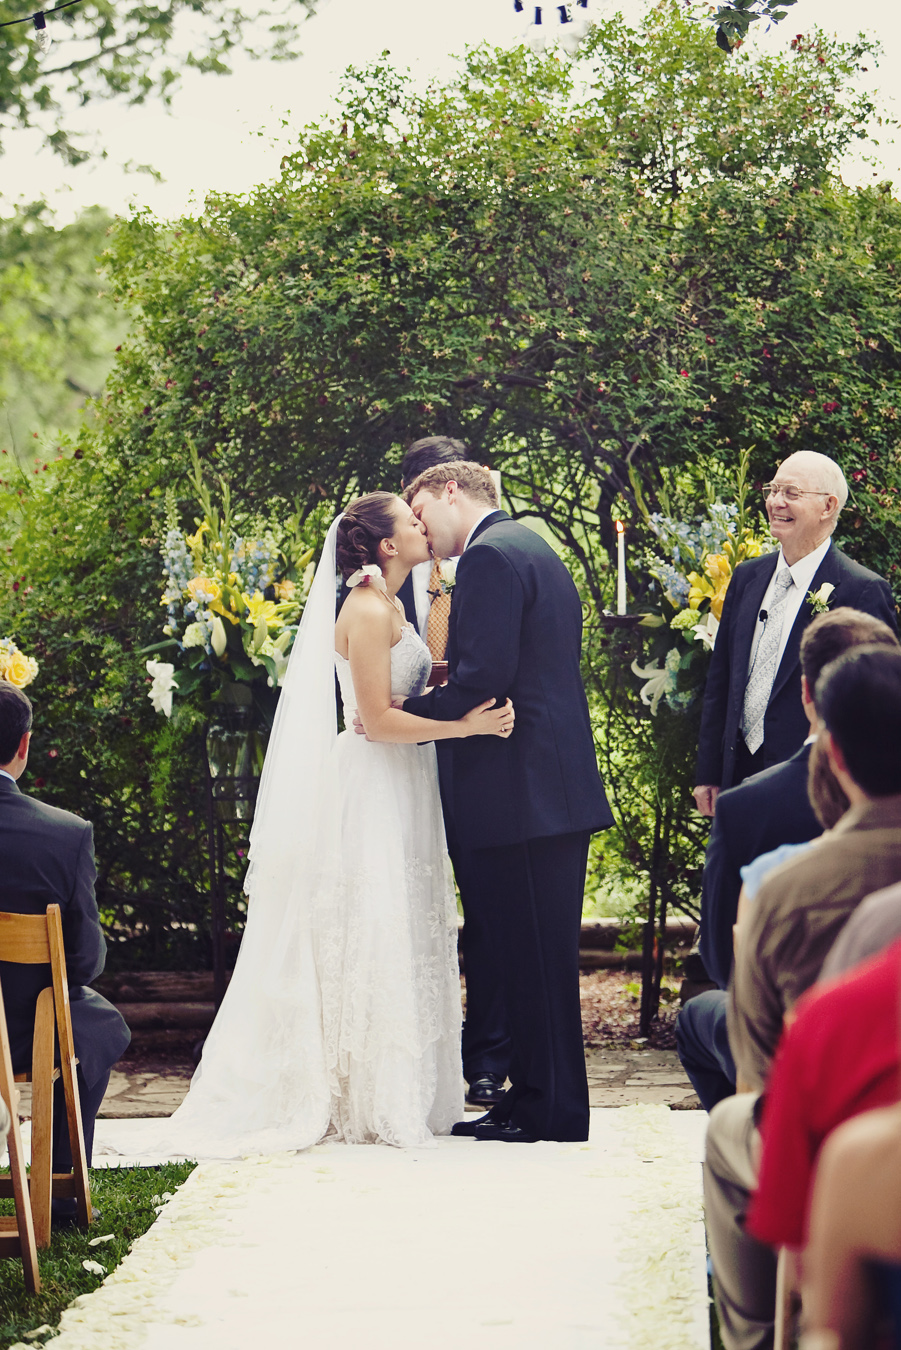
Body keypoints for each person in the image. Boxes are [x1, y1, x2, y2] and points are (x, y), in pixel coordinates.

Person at [154, 493, 514, 1157]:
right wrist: (463, 725)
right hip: (374, 780)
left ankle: (408, 1086)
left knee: (403, 918)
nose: (421, 527)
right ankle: (363, 1092)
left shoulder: (393, 606)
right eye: (410, 523)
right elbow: (374, 723)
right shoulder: (370, 610)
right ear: (384, 547)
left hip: (404, 778)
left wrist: (418, 708)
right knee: (371, 921)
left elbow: (386, 702)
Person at [401, 462, 613, 1143]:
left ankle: (548, 1110)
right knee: (534, 957)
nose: (419, 530)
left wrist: (405, 713)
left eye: (419, 511)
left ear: (449, 493)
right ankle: (532, 1101)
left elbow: (482, 678)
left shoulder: (490, 557)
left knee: (532, 956)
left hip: (521, 792)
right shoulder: (530, 544)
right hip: (545, 790)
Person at [704, 644, 901, 1350]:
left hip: (833, 1142)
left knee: (729, 1126)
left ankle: (754, 1334)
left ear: (834, 756)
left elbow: (759, 1073)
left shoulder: (784, 894)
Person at [677, 609, 899, 1112]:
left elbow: (719, 957)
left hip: (798, 1065)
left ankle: (745, 1134)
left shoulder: (751, 822)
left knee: (697, 1018)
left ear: (805, 694)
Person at [398, 437, 512, 1109]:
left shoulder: (489, 559)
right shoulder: (383, 573)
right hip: (402, 756)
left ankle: (487, 1060)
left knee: (488, 909)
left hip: (478, 753)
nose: (422, 528)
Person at [694, 450, 896, 815]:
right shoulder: (746, 577)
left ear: (828, 506)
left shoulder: (862, 591)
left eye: (790, 493)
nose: (775, 501)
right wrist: (708, 771)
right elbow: (721, 679)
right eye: (772, 490)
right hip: (737, 777)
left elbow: (878, 704)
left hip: (814, 791)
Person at [0, 681, 130, 1217]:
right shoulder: (65, 835)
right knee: (98, 1024)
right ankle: (59, 1187)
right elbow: (84, 961)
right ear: (24, 745)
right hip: (27, 1029)